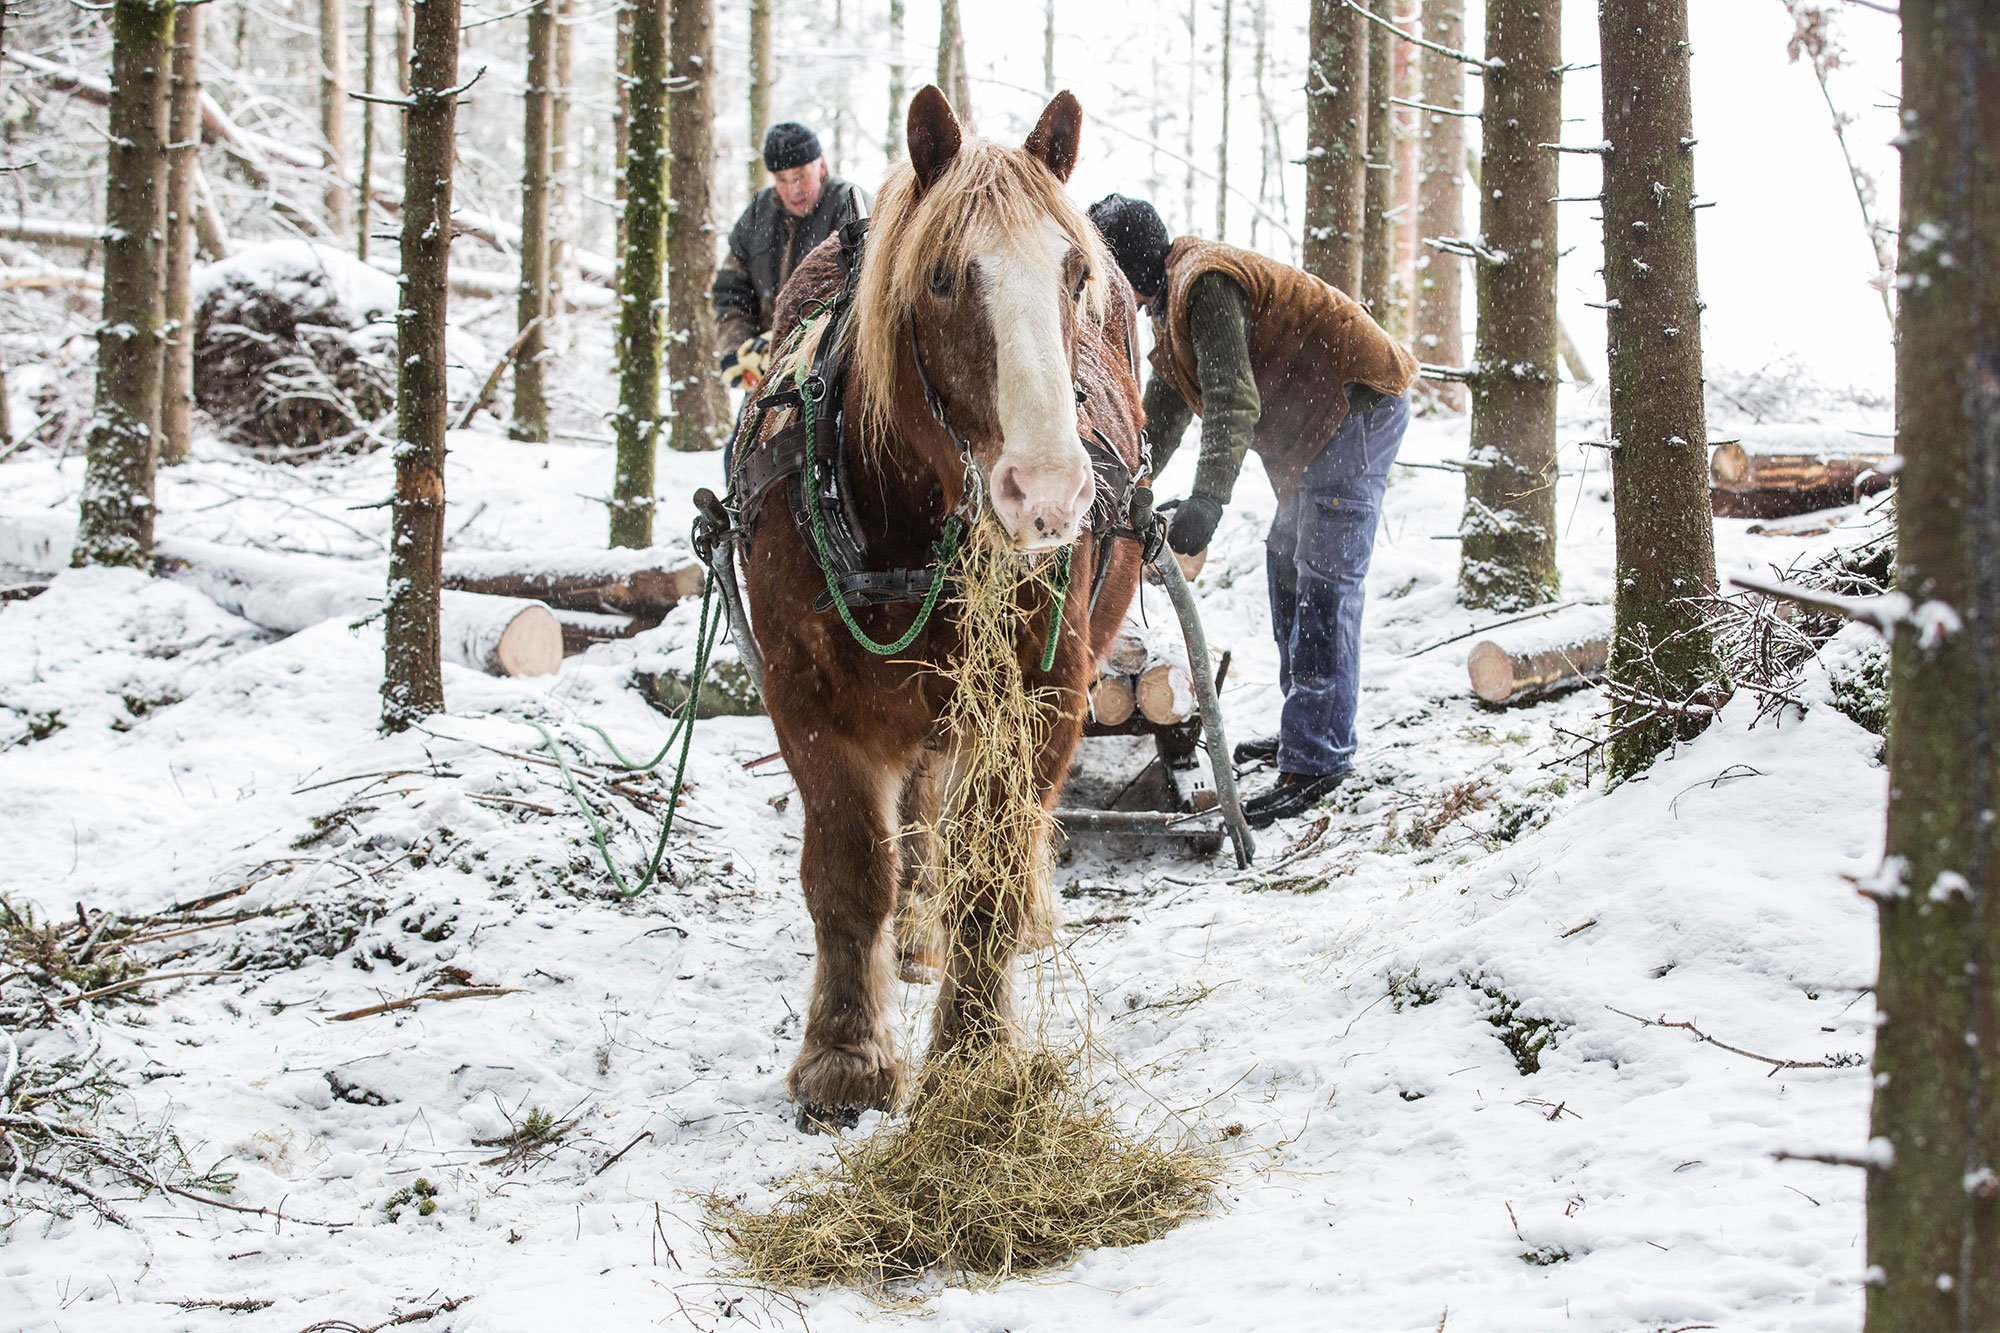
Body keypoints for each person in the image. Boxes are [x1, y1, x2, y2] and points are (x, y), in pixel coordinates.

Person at [1087, 195, 1419, 829]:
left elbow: (1232, 397)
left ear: (1124, 269)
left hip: (1356, 409)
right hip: (1322, 430)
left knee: (1323, 582)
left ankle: (1318, 757)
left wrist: (1210, 498)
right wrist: (1133, 482)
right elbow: (1168, 405)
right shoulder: (1173, 300)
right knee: (1288, 566)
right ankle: (1307, 732)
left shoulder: (1203, 283)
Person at [711, 122, 866, 393]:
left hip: (834, 377)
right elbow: (731, 290)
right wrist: (737, 349)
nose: (793, 189)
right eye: (781, 180)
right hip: (769, 377)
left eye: (800, 176)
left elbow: (856, 296)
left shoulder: (852, 207)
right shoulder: (757, 214)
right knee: (742, 437)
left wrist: (785, 342)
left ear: (820, 166)